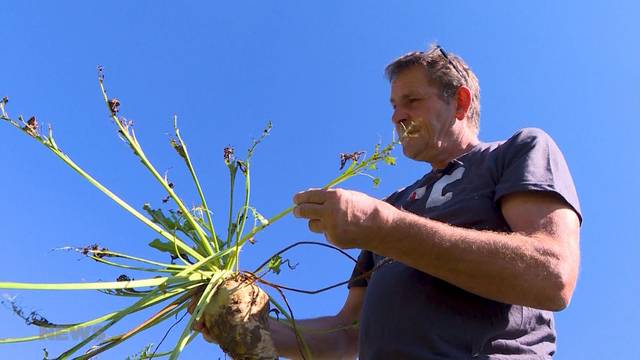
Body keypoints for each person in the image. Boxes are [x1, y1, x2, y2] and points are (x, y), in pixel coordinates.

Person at [198, 45, 582, 359]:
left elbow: (552, 276)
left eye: (411, 100)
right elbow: (347, 335)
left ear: (460, 103)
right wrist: (248, 326)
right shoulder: (394, 202)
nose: (397, 116)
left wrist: (385, 229)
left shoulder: (516, 152)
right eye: (393, 105)